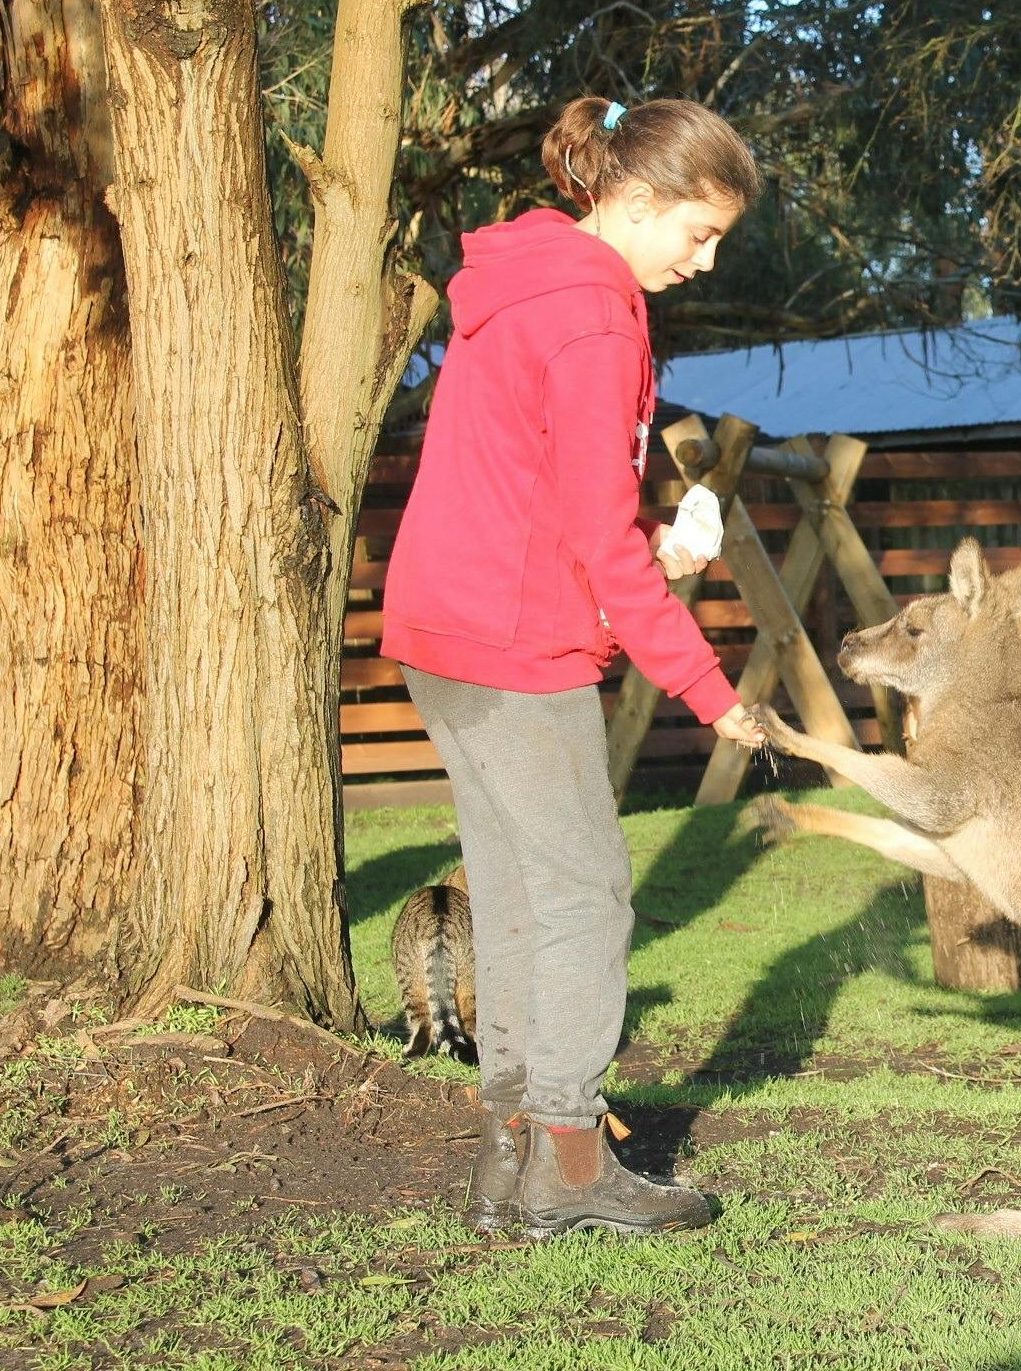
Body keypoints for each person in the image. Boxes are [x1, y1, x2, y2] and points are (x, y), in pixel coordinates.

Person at [381, 95, 770, 1238]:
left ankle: (509, 1157)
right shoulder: (598, 319)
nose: (703, 262)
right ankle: (568, 1160)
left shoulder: (523, 281)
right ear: (634, 200)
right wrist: (712, 693)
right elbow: (595, 542)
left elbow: (550, 496)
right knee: (587, 895)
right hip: (514, 643)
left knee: (512, 888)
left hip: (441, 625)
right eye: (697, 234)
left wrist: (641, 549)